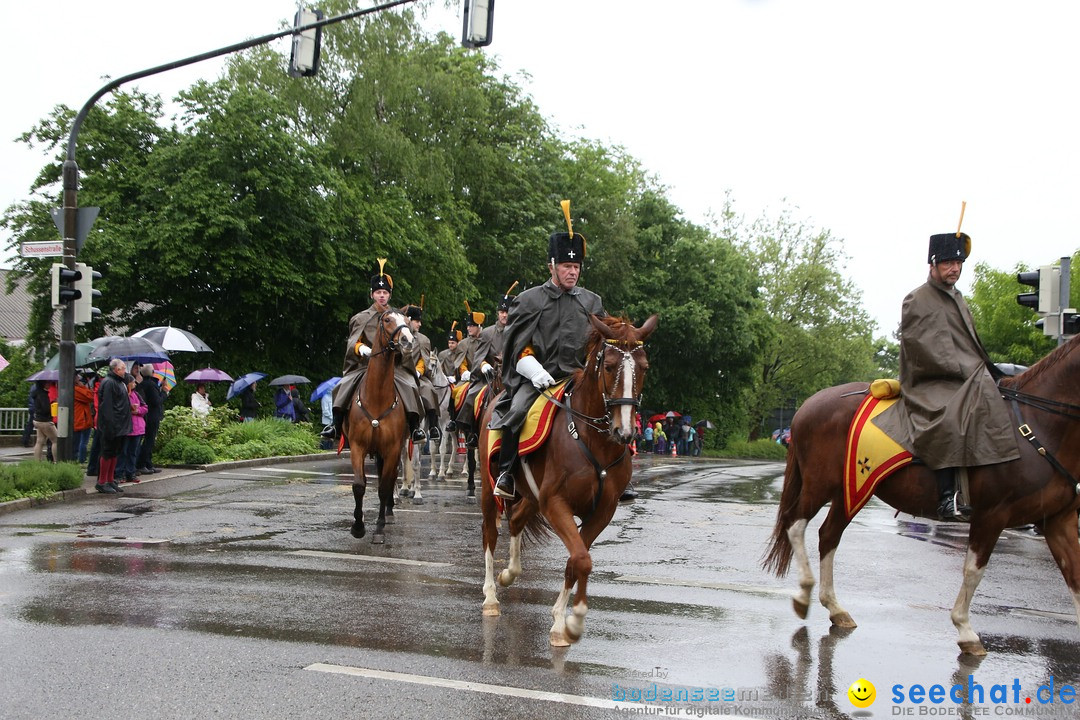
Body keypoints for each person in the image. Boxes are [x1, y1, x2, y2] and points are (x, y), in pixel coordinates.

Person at [491, 203, 636, 501]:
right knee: (517, 410)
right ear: (551, 267)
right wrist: (534, 370)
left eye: (577, 267)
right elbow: (515, 346)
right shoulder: (528, 301)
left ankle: (622, 475)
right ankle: (506, 473)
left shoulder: (592, 302)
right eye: (567, 267)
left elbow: (606, 342)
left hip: (579, 377)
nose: (573, 272)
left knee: (620, 406)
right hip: (537, 379)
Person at [873, 230, 1020, 520]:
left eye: (959, 263)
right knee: (950, 417)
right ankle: (945, 497)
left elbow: (970, 344)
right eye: (948, 263)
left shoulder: (959, 298)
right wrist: (967, 370)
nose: (955, 268)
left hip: (966, 374)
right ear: (933, 264)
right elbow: (922, 349)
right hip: (930, 381)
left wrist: (987, 369)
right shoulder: (916, 299)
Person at [328, 258, 426, 442]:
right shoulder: (360, 318)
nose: (382, 296)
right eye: (378, 292)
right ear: (372, 294)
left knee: (411, 387)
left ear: (389, 295)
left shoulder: (400, 318)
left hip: (393, 367)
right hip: (365, 366)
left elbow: (408, 345)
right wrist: (361, 348)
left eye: (385, 293)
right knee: (341, 385)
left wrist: (400, 350)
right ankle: (335, 425)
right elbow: (352, 343)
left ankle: (414, 428)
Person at [401, 303, 442, 443]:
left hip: (415, 374)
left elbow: (423, 359)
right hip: (397, 373)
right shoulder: (397, 334)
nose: (419, 324)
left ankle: (433, 426)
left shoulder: (423, 340)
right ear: (408, 320)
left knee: (429, 389)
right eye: (417, 321)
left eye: (420, 321)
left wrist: (418, 371)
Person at [96, 358, 133, 494]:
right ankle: (102, 482)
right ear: (116, 370)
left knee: (115, 453)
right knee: (107, 452)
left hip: (120, 424)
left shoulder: (120, 382)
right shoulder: (109, 383)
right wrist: (110, 425)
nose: (125, 371)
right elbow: (107, 406)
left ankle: (110, 480)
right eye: (123, 368)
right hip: (112, 425)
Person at [119, 374, 147, 483]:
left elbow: (145, 407)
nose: (135, 384)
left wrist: (138, 410)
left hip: (138, 427)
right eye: (133, 382)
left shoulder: (137, 394)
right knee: (123, 452)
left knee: (133, 452)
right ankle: (120, 473)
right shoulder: (123, 394)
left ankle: (131, 472)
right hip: (127, 427)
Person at [136, 365, 164, 474]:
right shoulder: (151, 385)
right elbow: (156, 401)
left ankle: (148, 463)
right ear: (152, 372)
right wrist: (164, 392)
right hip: (152, 416)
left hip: (147, 416)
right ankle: (142, 464)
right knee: (149, 441)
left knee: (148, 440)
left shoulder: (142, 384)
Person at [31, 380, 57, 462]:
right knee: (56, 440)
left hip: (37, 420)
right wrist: (53, 403)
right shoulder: (43, 395)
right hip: (45, 421)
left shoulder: (36, 393)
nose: (49, 384)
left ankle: (37, 461)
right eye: (47, 383)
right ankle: (57, 461)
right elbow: (46, 409)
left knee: (40, 441)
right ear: (43, 384)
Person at [73, 372, 96, 464]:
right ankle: (80, 460)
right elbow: (90, 396)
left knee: (82, 442)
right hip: (80, 419)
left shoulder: (76, 388)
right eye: (76, 376)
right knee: (80, 443)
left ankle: (80, 459)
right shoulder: (76, 389)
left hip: (83, 419)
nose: (78, 378)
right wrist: (83, 387)